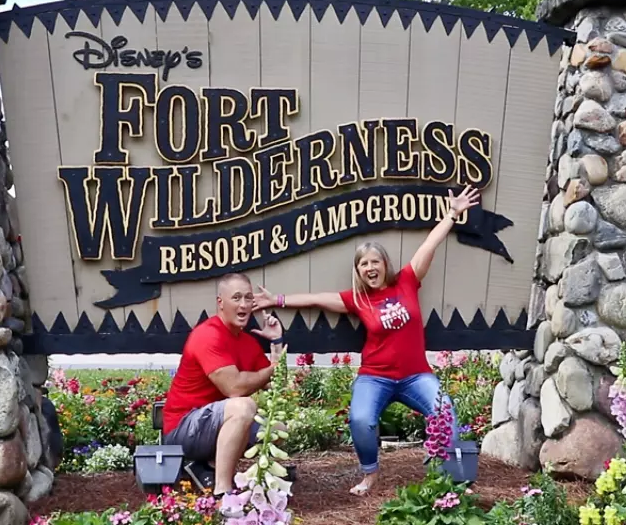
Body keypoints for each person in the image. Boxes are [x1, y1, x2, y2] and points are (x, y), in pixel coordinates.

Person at [253, 185, 479, 496]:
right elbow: (318, 299)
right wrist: (277, 299)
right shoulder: (358, 298)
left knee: (445, 412)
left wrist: (453, 213)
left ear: (385, 264)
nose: (370, 267)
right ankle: (370, 475)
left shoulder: (407, 281)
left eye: (375, 261)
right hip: (376, 377)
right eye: (363, 264)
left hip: (416, 375)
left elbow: (430, 244)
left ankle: (450, 481)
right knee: (360, 419)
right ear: (358, 271)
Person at [162, 272, 286, 496]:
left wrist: (276, 345)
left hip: (212, 424)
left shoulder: (248, 343)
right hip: (182, 429)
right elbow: (234, 388)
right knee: (244, 406)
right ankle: (222, 492)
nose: (244, 304)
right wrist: (272, 370)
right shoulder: (207, 335)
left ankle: (208, 468)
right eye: (236, 298)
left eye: (248, 298)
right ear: (221, 302)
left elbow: (277, 385)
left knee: (278, 428)